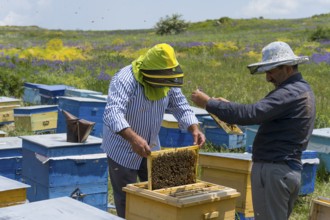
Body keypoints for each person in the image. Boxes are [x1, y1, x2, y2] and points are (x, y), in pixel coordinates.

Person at [191, 41, 315, 220]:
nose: (268, 78)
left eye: (271, 71)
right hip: (285, 169)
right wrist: (227, 107)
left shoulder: (289, 93)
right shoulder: (301, 90)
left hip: (275, 170)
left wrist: (208, 103)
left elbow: (251, 114)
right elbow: (264, 115)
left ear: (287, 68)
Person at [101, 43, 205, 218]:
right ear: (150, 72)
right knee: (127, 200)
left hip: (152, 146)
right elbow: (113, 113)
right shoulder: (125, 80)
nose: (165, 83)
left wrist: (194, 127)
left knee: (158, 194)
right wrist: (133, 139)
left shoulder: (167, 77)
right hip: (122, 148)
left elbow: (180, 105)